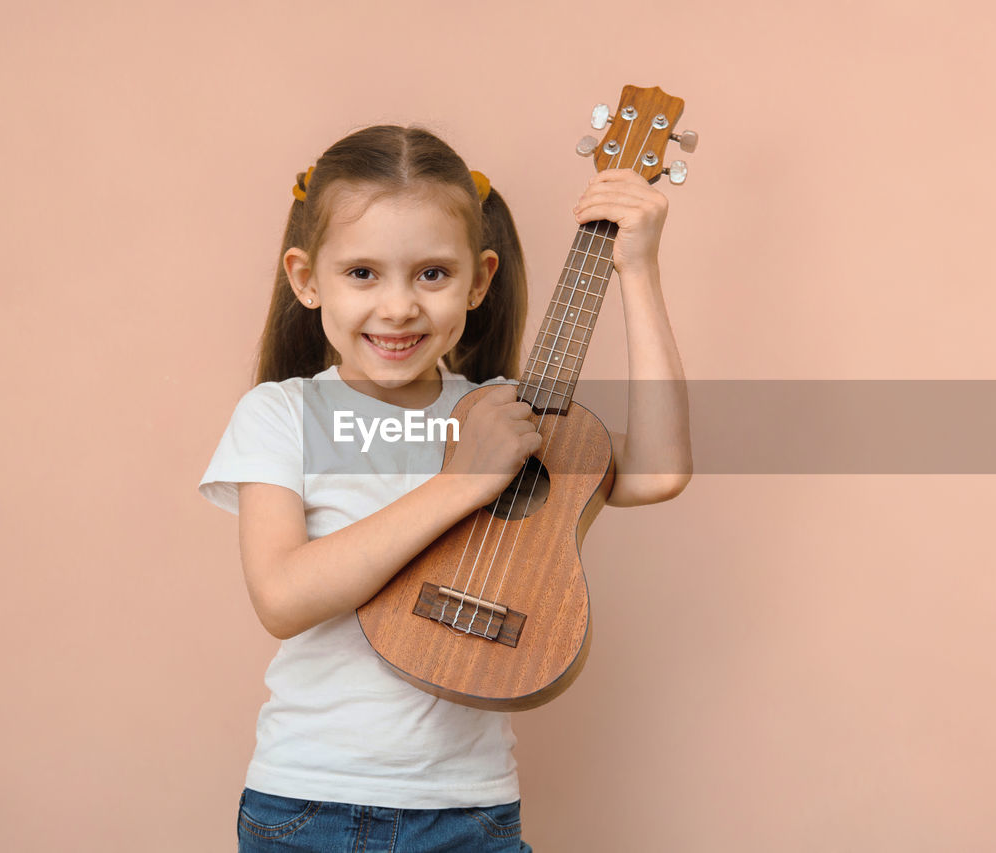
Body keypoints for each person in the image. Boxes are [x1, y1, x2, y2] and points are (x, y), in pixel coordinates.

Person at [198, 124, 692, 852]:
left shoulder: (507, 411)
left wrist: (640, 272)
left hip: (472, 809)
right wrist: (462, 482)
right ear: (306, 278)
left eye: (432, 274)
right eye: (362, 273)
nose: (398, 307)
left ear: (480, 278)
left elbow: (658, 468)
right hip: (311, 802)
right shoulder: (282, 414)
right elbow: (282, 595)